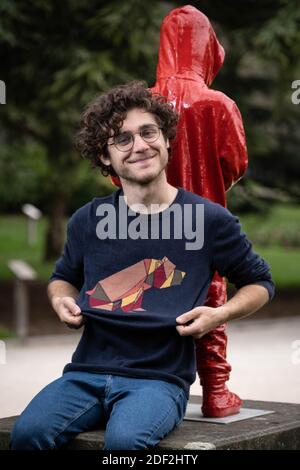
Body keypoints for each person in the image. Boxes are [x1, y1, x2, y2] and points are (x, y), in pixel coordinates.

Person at [11, 82, 274, 450]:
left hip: (158, 380)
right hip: (84, 373)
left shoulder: (210, 220)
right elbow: (62, 279)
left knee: (125, 444)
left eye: (148, 132)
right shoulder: (88, 219)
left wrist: (220, 314)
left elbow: (260, 281)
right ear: (105, 157)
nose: (139, 146)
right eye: (122, 139)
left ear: (166, 139)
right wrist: (60, 301)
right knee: (25, 436)